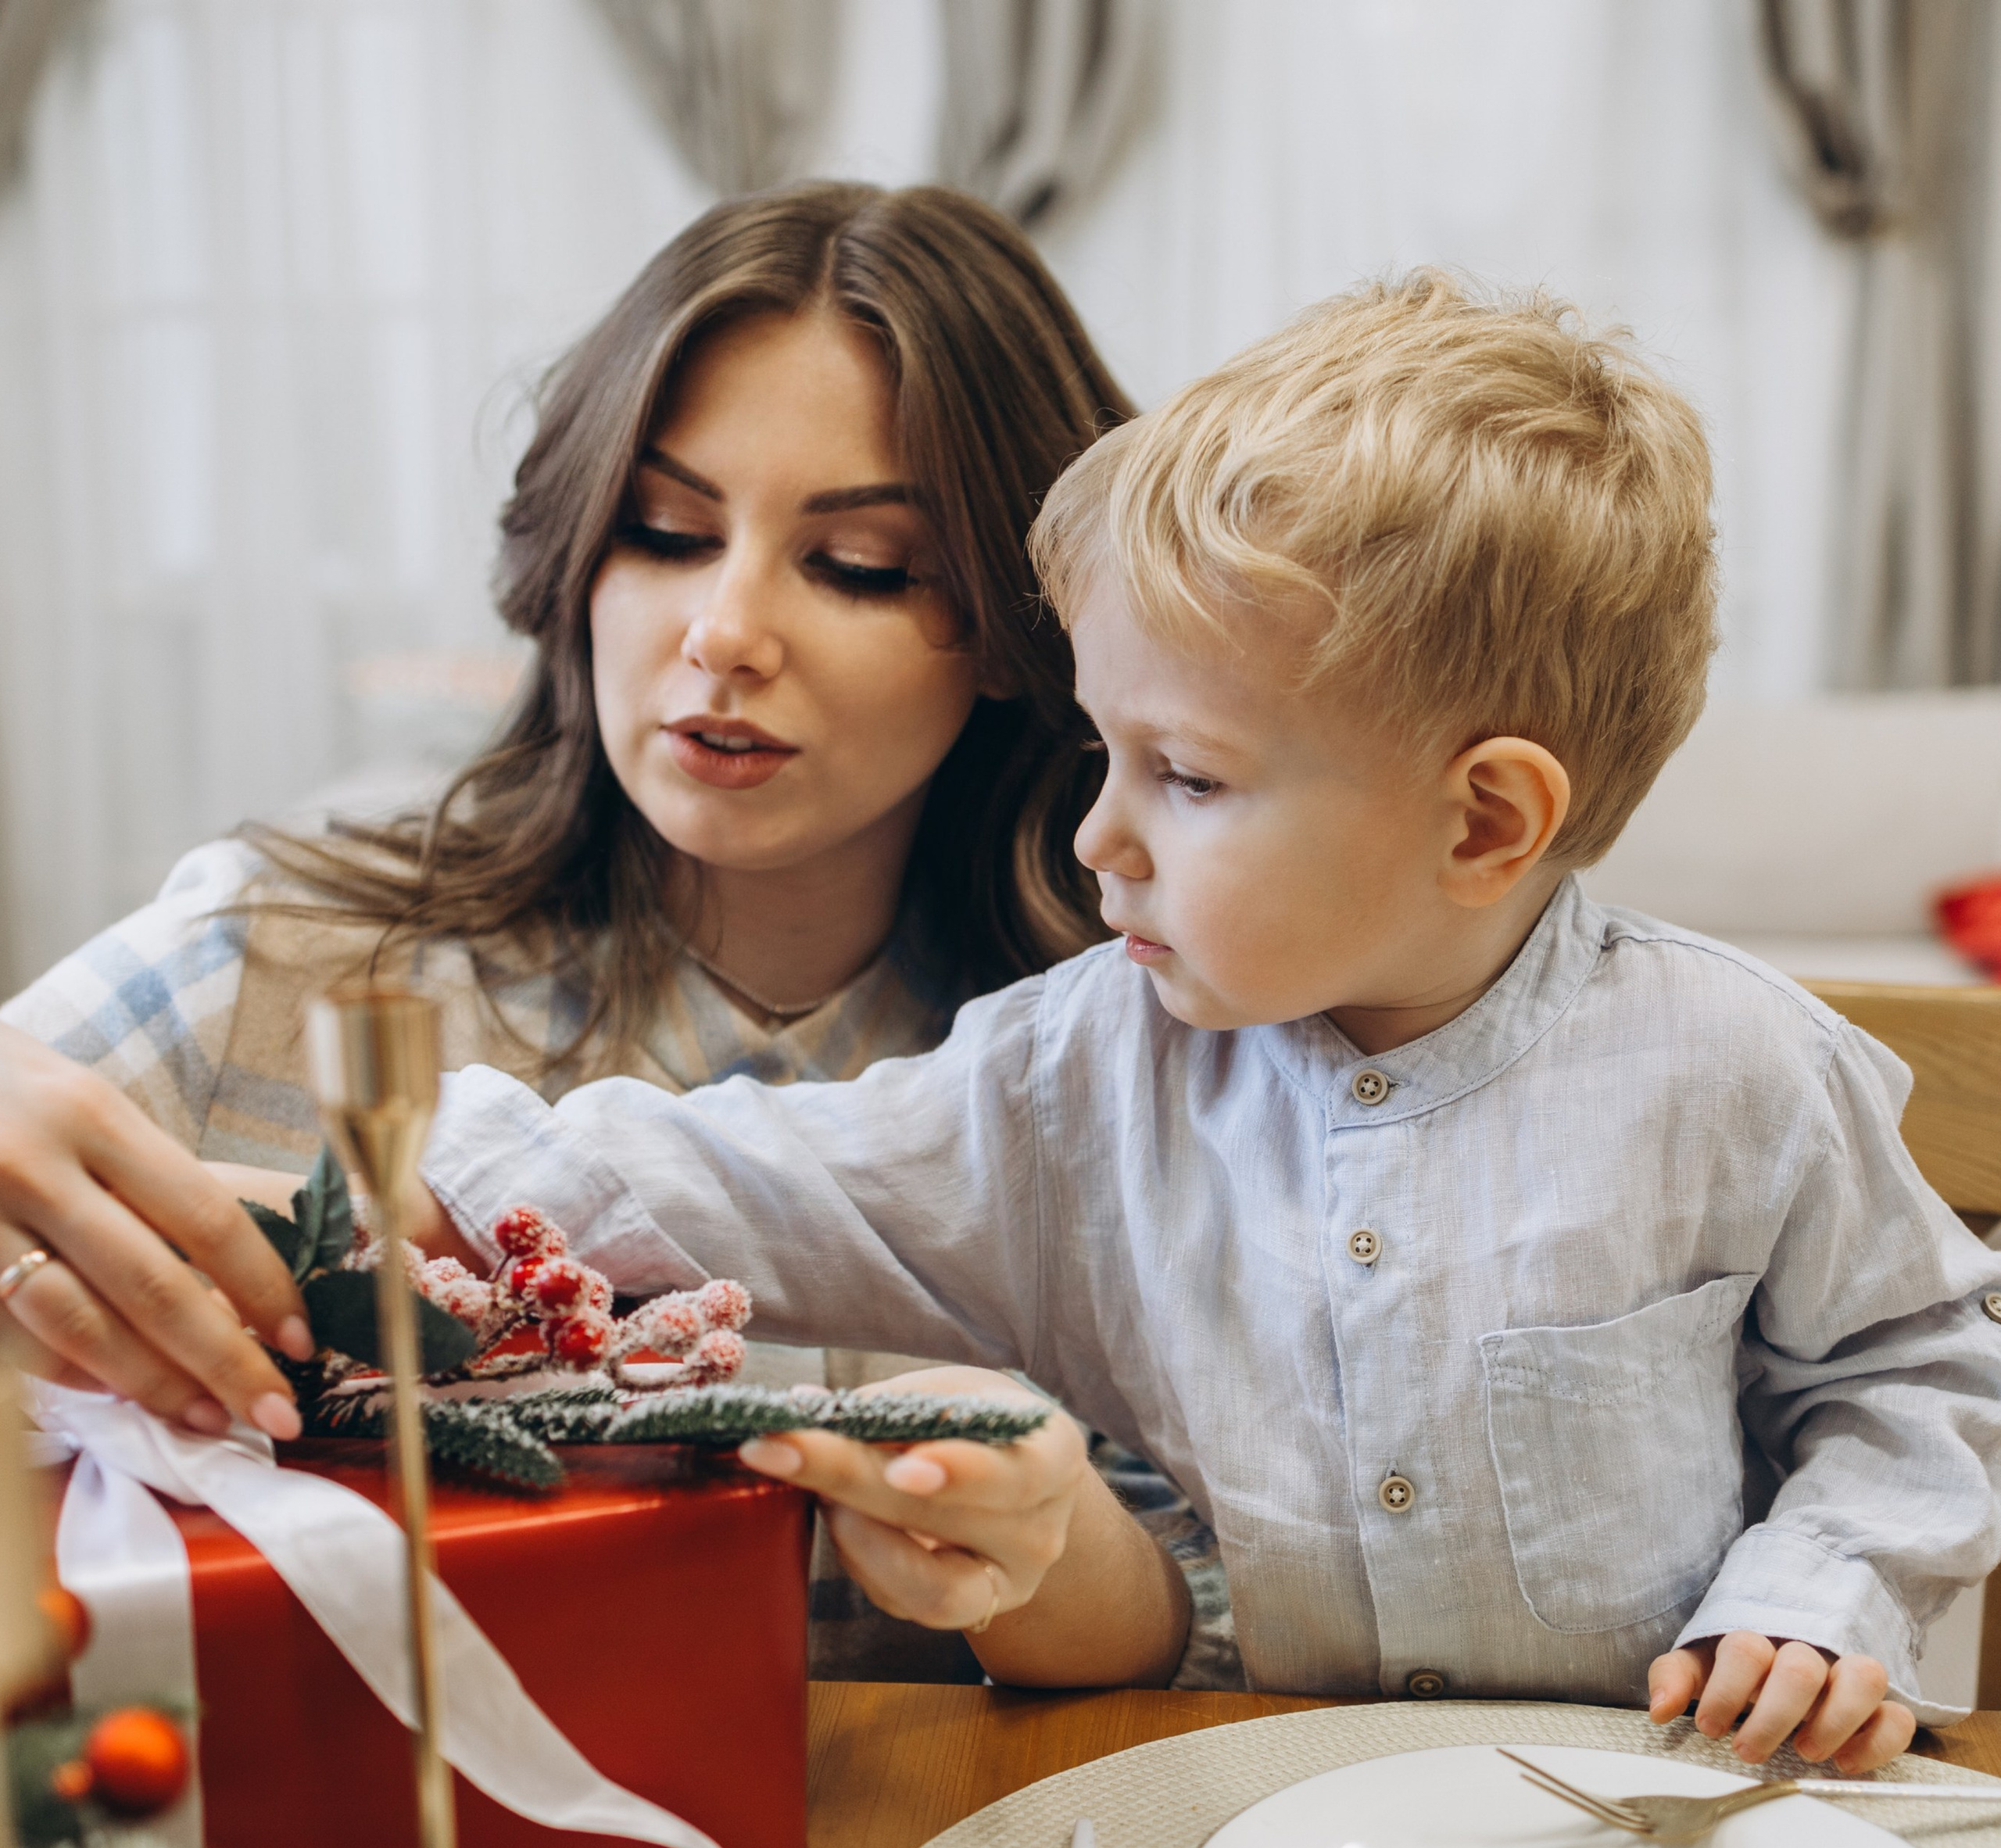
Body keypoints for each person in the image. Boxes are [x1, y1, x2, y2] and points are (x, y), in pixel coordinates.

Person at [399, 272, 2001, 1770]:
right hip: (1238, 1817)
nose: (1098, 835)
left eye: (1187, 774)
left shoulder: (1736, 1070)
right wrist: (422, 1178)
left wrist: (1818, 1592)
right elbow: (739, 1177)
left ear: (1482, 822)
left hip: (1662, 1817)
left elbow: (1917, 1375)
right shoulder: (1075, 1074)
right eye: (1105, 752)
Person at [0, 181, 1226, 1683]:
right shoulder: (283, 955)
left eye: (856, 565)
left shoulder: (1133, 1071)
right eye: (663, 531)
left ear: (1022, 623)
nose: (723, 632)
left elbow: (1195, 1635)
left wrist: (1053, 1552)